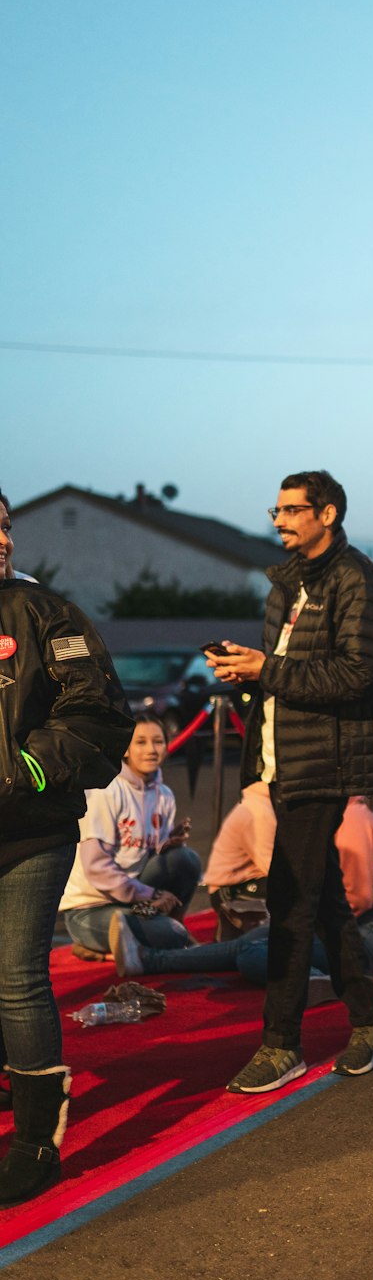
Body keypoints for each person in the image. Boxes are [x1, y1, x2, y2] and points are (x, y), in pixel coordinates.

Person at [206, 469, 373, 1093]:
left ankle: (281, 1044)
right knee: (320, 901)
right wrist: (252, 673)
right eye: (277, 509)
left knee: (289, 899)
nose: (279, 520)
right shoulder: (286, 584)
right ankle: (371, 1022)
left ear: (329, 513)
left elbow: (359, 674)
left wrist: (271, 668)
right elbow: (289, 674)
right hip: (283, 757)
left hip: (329, 760)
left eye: (292, 510)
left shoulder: (358, 578)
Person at [0, 487, 132, 1205]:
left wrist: (24, 770)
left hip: (32, 831)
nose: (2, 539)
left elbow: (99, 717)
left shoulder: (49, 613)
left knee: (18, 977)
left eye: (5, 525)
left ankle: (36, 1142)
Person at [109, 786, 373, 989]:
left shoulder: (351, 819)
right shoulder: (331, 814)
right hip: (350, 922)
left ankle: (316, 980)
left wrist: (303, 920)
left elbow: (355, 900)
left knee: (254, 954)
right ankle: (149, 961)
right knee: (254, 943)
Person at [59, 714, 202, 959]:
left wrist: (165, 845)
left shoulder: (164, 794)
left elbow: (141, 854)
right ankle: (96, 946)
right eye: (141, 742)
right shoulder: (106, 790)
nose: (151, 749)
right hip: (91, 908)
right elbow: (97, 868)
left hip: (133, 897)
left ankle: (159, 929)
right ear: (125, 750)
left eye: (158, 742)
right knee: (171, 936)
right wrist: (153, 895)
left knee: (185, 859)